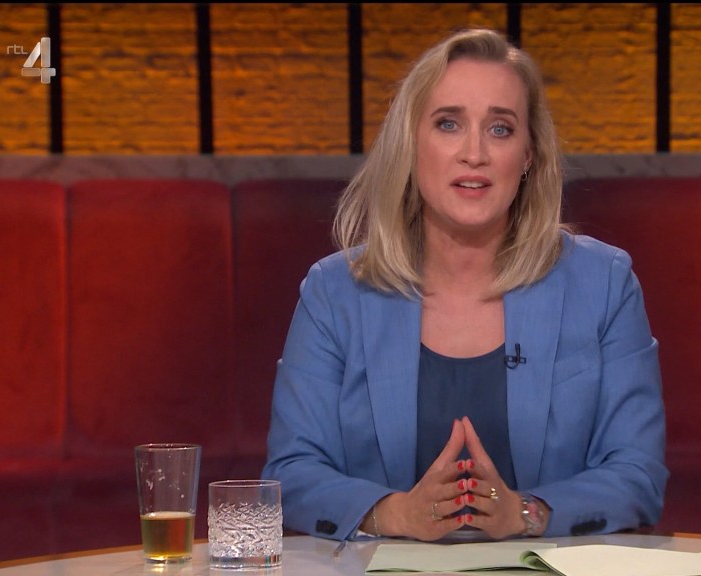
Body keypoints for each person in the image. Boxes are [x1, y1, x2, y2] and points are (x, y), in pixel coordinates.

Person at [262, 28, 667, 543]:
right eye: (448, 123)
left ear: (528, 155)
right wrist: (395, 514)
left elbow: (637, 473)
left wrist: (526, 513)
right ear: (411, 144)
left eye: (500, 129)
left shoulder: (603, 284)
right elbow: (292, 472)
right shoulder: (335, 293)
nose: (474, 153)